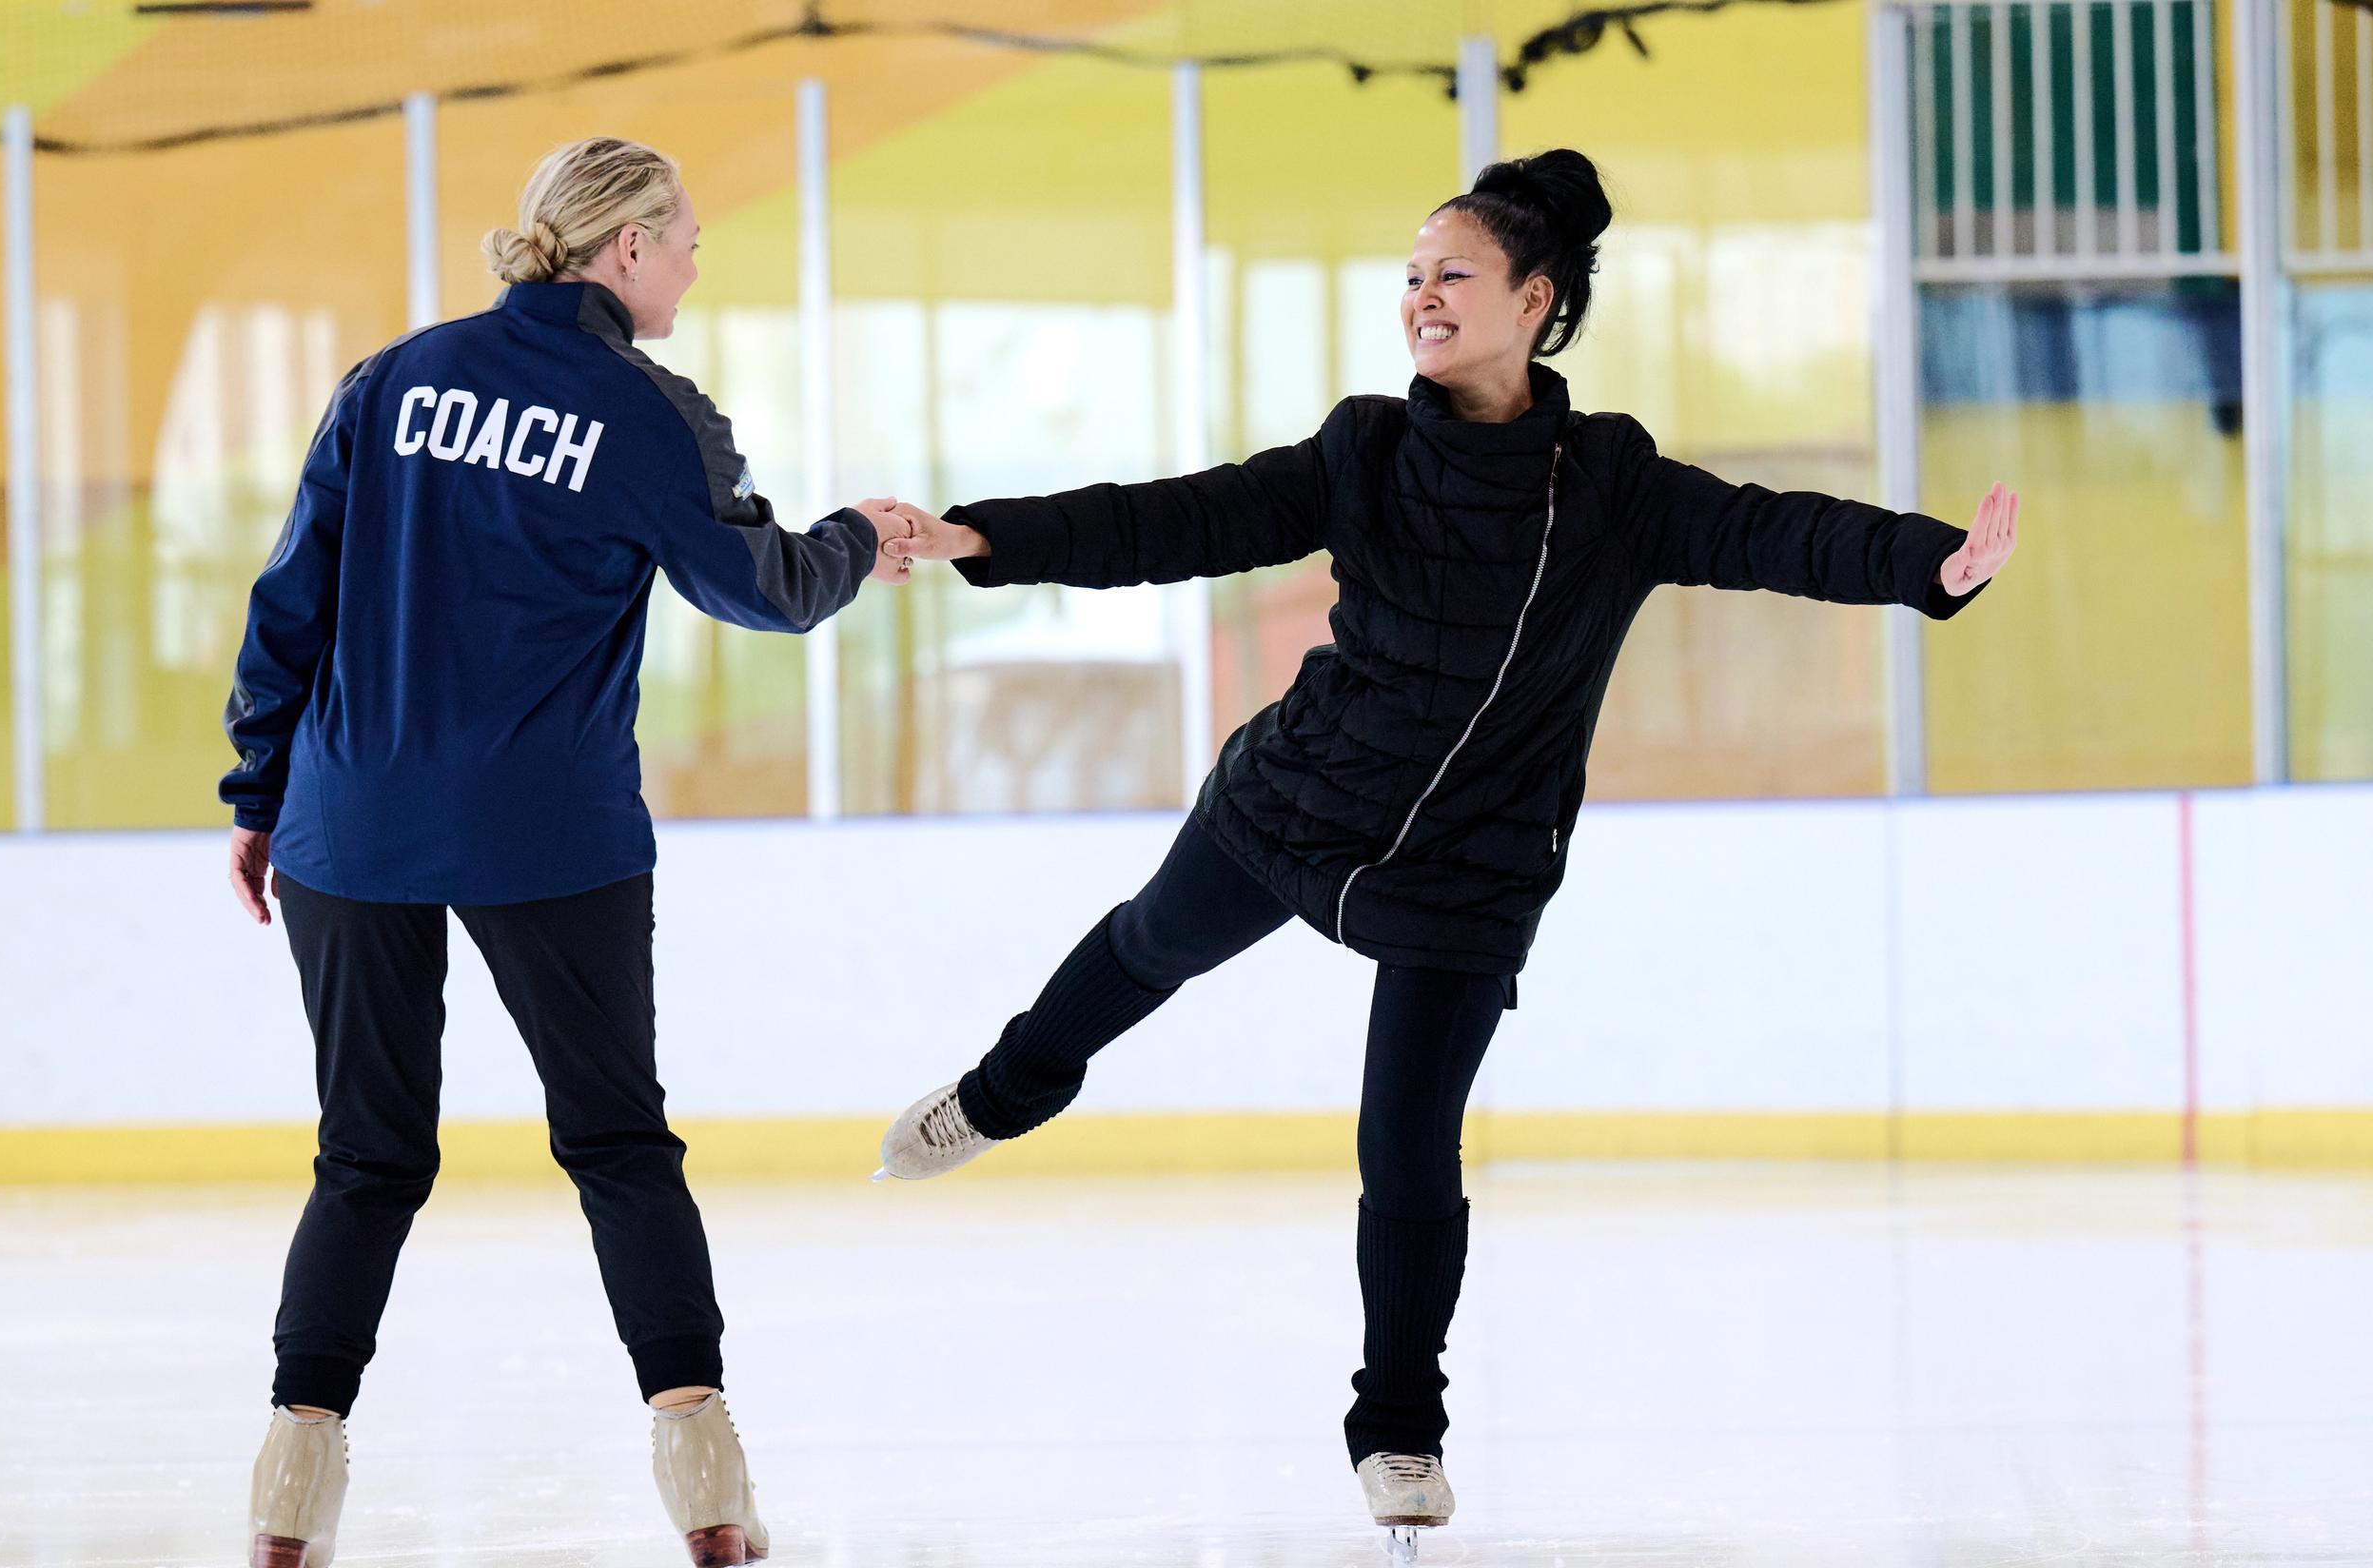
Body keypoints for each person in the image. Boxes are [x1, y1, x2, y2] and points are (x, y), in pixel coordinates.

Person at [857, 148, 2022, 1544]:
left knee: (1407, 1141)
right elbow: (1186, 516)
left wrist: (1928, 564)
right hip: (1308, 790)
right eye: (1411, 275)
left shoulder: (1611, 484)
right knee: (1153, 943)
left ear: (1536, 302)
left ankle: (1400, 1432)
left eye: (1453, 274)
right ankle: (1000, 1096)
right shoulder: (1368, 452)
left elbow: (1771, 531)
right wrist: (982, 536)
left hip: (1476, 856)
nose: (1422, 296)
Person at [219, 135, 903, 1568]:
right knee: (617, 1145)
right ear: (627, 246)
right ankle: (708, 1494)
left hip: (352, 823)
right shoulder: (646, 412)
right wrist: (861, 536)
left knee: (365, 1158)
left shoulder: (393, 381)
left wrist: (259, 790)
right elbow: (764, 587)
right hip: (549, 832)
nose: (695, 265)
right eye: (687, 240)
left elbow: (293, 599)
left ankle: (290, 1499)